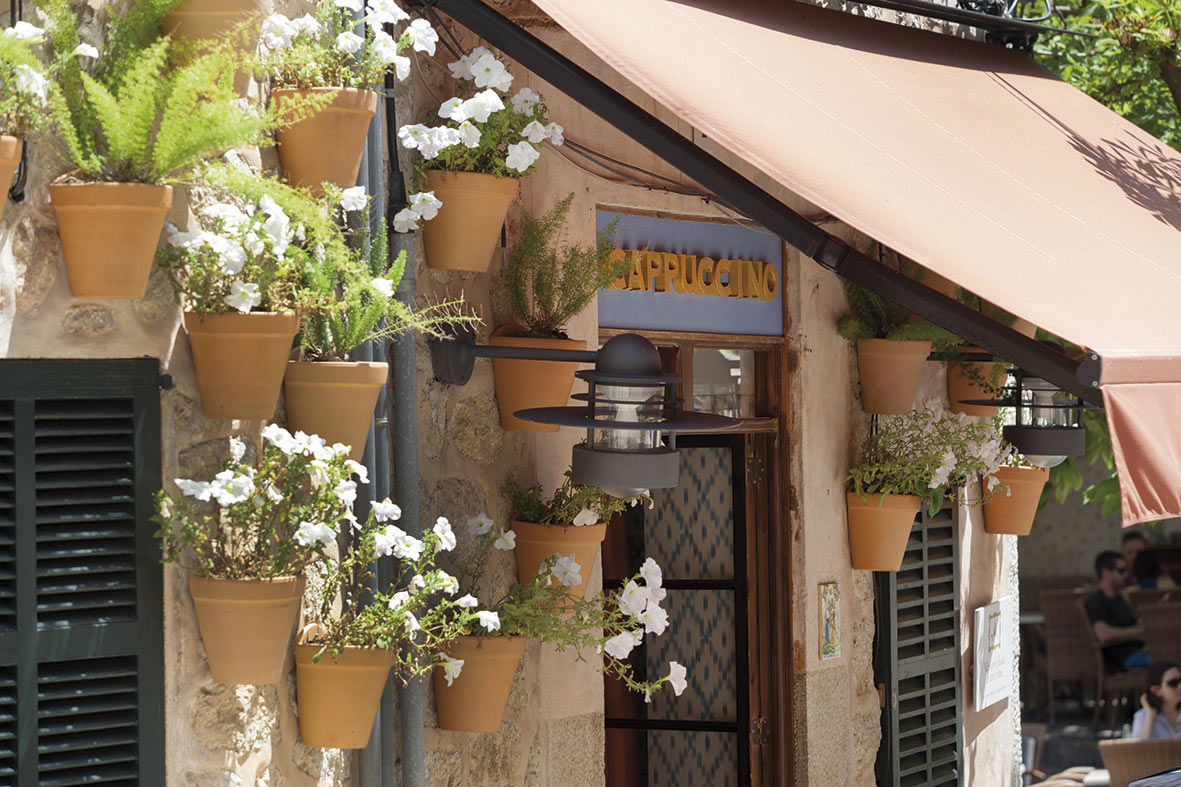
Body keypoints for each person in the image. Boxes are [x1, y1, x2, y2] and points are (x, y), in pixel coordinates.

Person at [1085, 551, 1148, 673]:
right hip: (1122, 658)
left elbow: (1135, 621)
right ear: (1106, 572)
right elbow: (1103, 634)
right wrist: (1138, 631)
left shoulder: (1119, 598)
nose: (1126, 575)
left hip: (1138, 651)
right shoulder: (1098, 602)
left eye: (1126, 570)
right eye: (1121, 570)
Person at [1133, 661, 1181, 739]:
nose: (1180, 686)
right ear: (1156, 690)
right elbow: (1138, 749)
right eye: (1173, 683)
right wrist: (1150, 714)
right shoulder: (1143, 716)